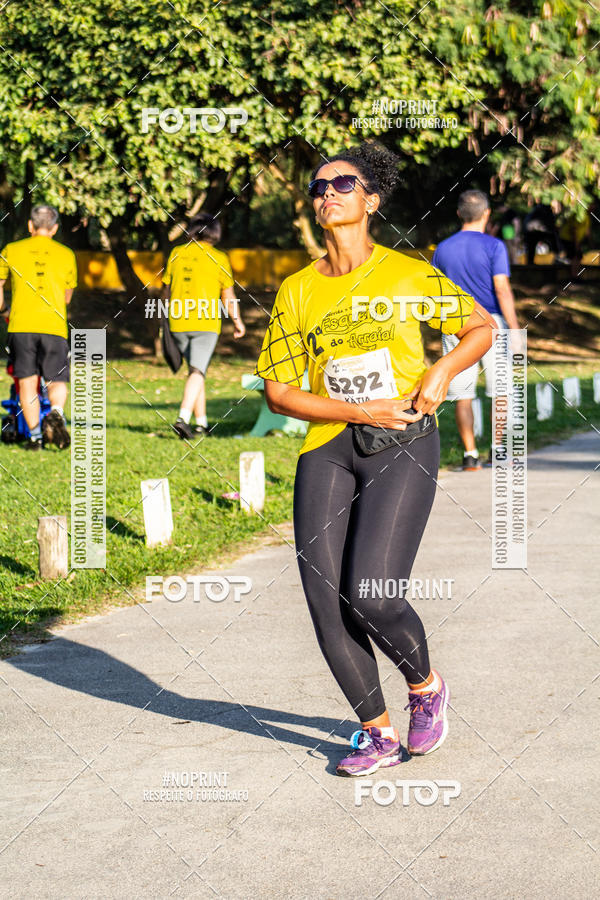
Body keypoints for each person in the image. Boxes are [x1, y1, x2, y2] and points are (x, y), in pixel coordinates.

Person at [255, 144, 496, 776]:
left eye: (344, 183)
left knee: (371, 593)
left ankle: (424, 686)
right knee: (324, 599)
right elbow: (280, 390)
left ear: (372, 201)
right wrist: (361, 412)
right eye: (318, 185)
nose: (328, 192)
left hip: (404, 442)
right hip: (329, 448)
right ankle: (376, 733)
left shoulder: (406, 274)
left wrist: (442, 369)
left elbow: (481, 327)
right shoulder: (297, 289)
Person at [433, 190, 520, 470]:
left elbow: (437, 292)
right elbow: (502, 289)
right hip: (491, 323)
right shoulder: (494, 247)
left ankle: (470, 454)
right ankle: (496, 449)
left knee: (463, 393)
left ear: (459, 214)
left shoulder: (442, 249)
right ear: (487, 214)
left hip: (455, 324)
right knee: (500, 390)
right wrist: (515, 329)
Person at [162, 213, 245, 439]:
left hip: (177, 322)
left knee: (196, 371)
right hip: (205, 323)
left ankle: (201, 423)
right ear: (214, 232)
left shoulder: (176, 253)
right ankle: (183, 418)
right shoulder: (219, 258)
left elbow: (165, 291)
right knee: (198, 371)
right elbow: (227, 295)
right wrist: (237, 321)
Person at [0, 205, 76, 450]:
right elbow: (66, 297)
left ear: (30, 226)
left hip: (21, 325)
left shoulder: (11, 250)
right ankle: (56, 411)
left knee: (27, 382)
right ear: (54, 228)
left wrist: (4, 311)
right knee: (56, 379)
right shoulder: (66, 254)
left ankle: (34, 438)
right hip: (54, 325)